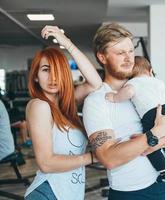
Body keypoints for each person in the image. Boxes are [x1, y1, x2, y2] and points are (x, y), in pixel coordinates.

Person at [83, 23, 165, 200]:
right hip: (130, 193)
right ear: (102, 57)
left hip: (162, 185)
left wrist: (154, 143)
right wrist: (156, 132)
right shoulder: (97, 101)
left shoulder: (146, 88)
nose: (128, 58)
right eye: (120, 53)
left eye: (130, 51)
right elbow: (108, 158)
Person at [24, 25, 102, 200]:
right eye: (46, 69)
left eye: (58, 71)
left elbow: (96, 83)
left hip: (69, 193)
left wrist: (66, 43)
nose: (53, 77)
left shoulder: (66, 105)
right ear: (35, 76)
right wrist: (92, 157)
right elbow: (46, 163)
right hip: (47, 193)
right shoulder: (39, 106)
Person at [105, 56, 165, 182]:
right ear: (150, 71)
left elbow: (128, 93)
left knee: (148, 144)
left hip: (151, 114)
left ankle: (164, 172)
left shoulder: (132, 83)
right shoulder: (157, 81)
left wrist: (115, 97)